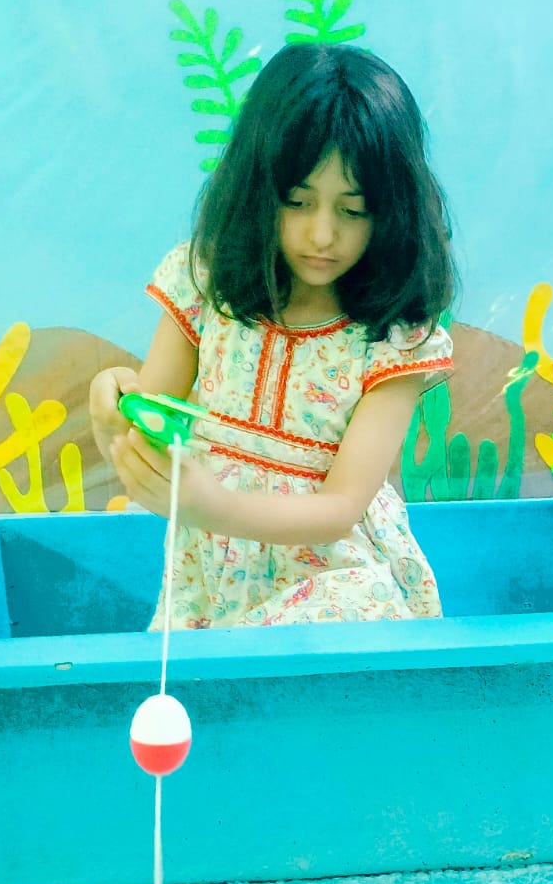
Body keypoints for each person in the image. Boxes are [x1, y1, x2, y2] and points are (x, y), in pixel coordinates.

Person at [89, 43, 456, 627]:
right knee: (215, 678)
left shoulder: (395, 339)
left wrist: (215, 505)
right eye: (298, 202)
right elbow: (148, 437)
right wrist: (113, 404)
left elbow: (341, 508)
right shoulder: (205, 285)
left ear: (394, 212)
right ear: (258, 190)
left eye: (354, 210)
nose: (323, 234)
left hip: (334, 586)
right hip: (210, 590)